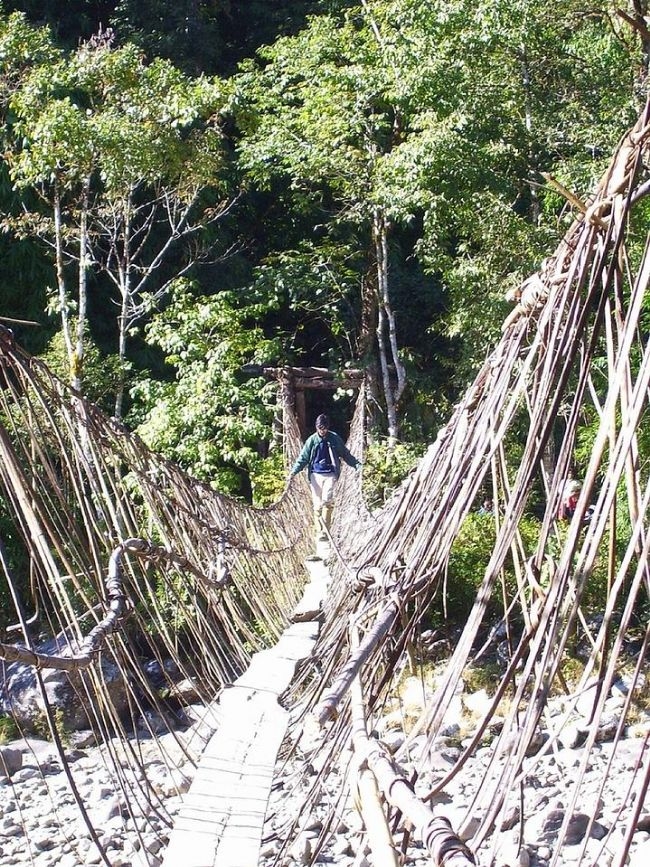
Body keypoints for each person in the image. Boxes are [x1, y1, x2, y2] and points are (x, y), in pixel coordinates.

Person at [288, 413, 361, 541]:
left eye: (324, 428)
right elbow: (303, 458)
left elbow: (345, 454)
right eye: (319, 428)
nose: (322, 431)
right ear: (316, 427)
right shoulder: (312, 440)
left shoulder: (334, 439)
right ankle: (319, 530)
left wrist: (357, 465)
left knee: (327, 500)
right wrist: (293, 472)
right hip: (315, 474)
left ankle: (325, 531)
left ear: (328, 427)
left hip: (330, 474)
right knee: (317, 505)